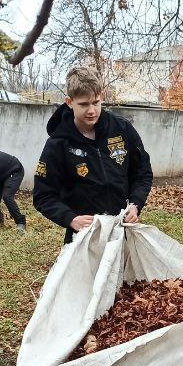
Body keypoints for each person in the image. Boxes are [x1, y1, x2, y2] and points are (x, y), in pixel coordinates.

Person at [33, 65, 153, 242]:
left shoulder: (122, 129)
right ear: (69, 102)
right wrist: (70, 218)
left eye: (95, 102)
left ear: (101, 97)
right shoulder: (58, 143)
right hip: (83, 237)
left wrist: (135, 204)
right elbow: (43, 195)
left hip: (121, 231)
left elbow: (142, 173)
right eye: (83, 104)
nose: (91, 110)